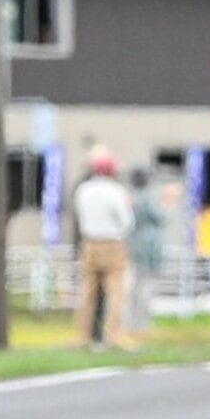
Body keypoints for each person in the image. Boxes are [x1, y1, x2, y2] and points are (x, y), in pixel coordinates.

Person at [72, 145, 136, 350]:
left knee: (88, 293)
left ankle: (84, 335)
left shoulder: (83, 190)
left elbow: (78, 216)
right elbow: (127, 222)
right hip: (112, 243)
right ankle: (113, 334)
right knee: (116, 292)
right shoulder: (115, 191)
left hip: (89, 242)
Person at [126, 167, 165, 340]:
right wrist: (167, 203)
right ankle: (142, 324)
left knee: (134, 287)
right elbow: (161, 218)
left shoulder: (131, 197)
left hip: (134, 244)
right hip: (150, 247)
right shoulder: (148, 199)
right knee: (147, 287)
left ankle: (131, 322)